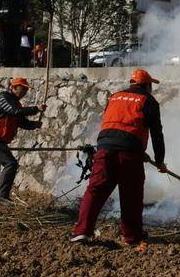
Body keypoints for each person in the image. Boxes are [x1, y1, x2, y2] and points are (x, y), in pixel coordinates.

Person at [71, 68, 167, 249]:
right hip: (129, 155)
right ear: (147, 86)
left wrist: (137, 149)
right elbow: (157, 133)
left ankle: (81, 231)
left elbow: (116, 125)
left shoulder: (114, 97)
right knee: (131, 195)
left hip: (104, 149)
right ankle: (132, 237)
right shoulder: (148, 100)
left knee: (95, 190)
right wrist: (160, 160)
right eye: (150, 86)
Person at [0, 77, 45, 205]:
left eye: (26, 90)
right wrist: (36, 108)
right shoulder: (3, 98)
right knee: (11, 164)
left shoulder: (16, 103)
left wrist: (34, 125)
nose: (24, 93)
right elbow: (14, 112)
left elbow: (21, 122)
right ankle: (1, 196)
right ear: (14, 87)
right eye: (22, 89)